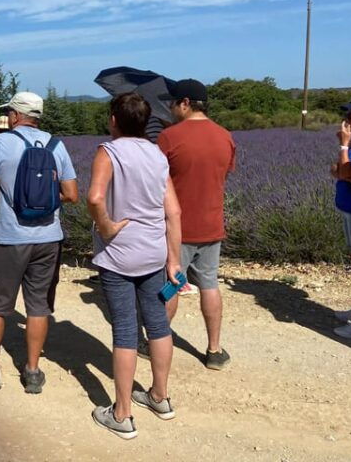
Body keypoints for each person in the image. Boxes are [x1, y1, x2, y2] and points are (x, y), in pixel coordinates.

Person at [87, 93, 181, 439]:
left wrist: (106, 226)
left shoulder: (108, 152)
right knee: (158, 324)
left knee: (125, 329)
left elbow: (95, 197)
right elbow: (174, 211)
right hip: (154, 252)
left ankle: (122, 413)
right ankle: (160, 397)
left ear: (114, 119)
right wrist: (174, 260)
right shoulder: (157, 154)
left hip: (120, 255)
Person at [0, 92, 78, 394]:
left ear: (16, 115)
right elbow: (72, 194)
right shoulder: (57, 145)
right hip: (49, 239)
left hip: (9, 238)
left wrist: (13, 199)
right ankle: (32, 372)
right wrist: (44, 200)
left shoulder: (0, 143)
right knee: (38, 306)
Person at [157, 79, 235, 370]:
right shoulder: (225, 136)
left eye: (173, 102)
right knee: (210, 285)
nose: (170, 107)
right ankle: (214, 350)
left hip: (177, 228)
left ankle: (156, 340)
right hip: (212, 225)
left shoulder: (168, 137)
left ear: (185, 103)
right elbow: (224, 173)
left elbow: (157, 181)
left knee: (171, 285)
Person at [331, 97, 351, 340]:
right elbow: (335, 169)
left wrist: (343, 147)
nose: (348, 118)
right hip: (350, 207)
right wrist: (347, 174)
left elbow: (342, 169)